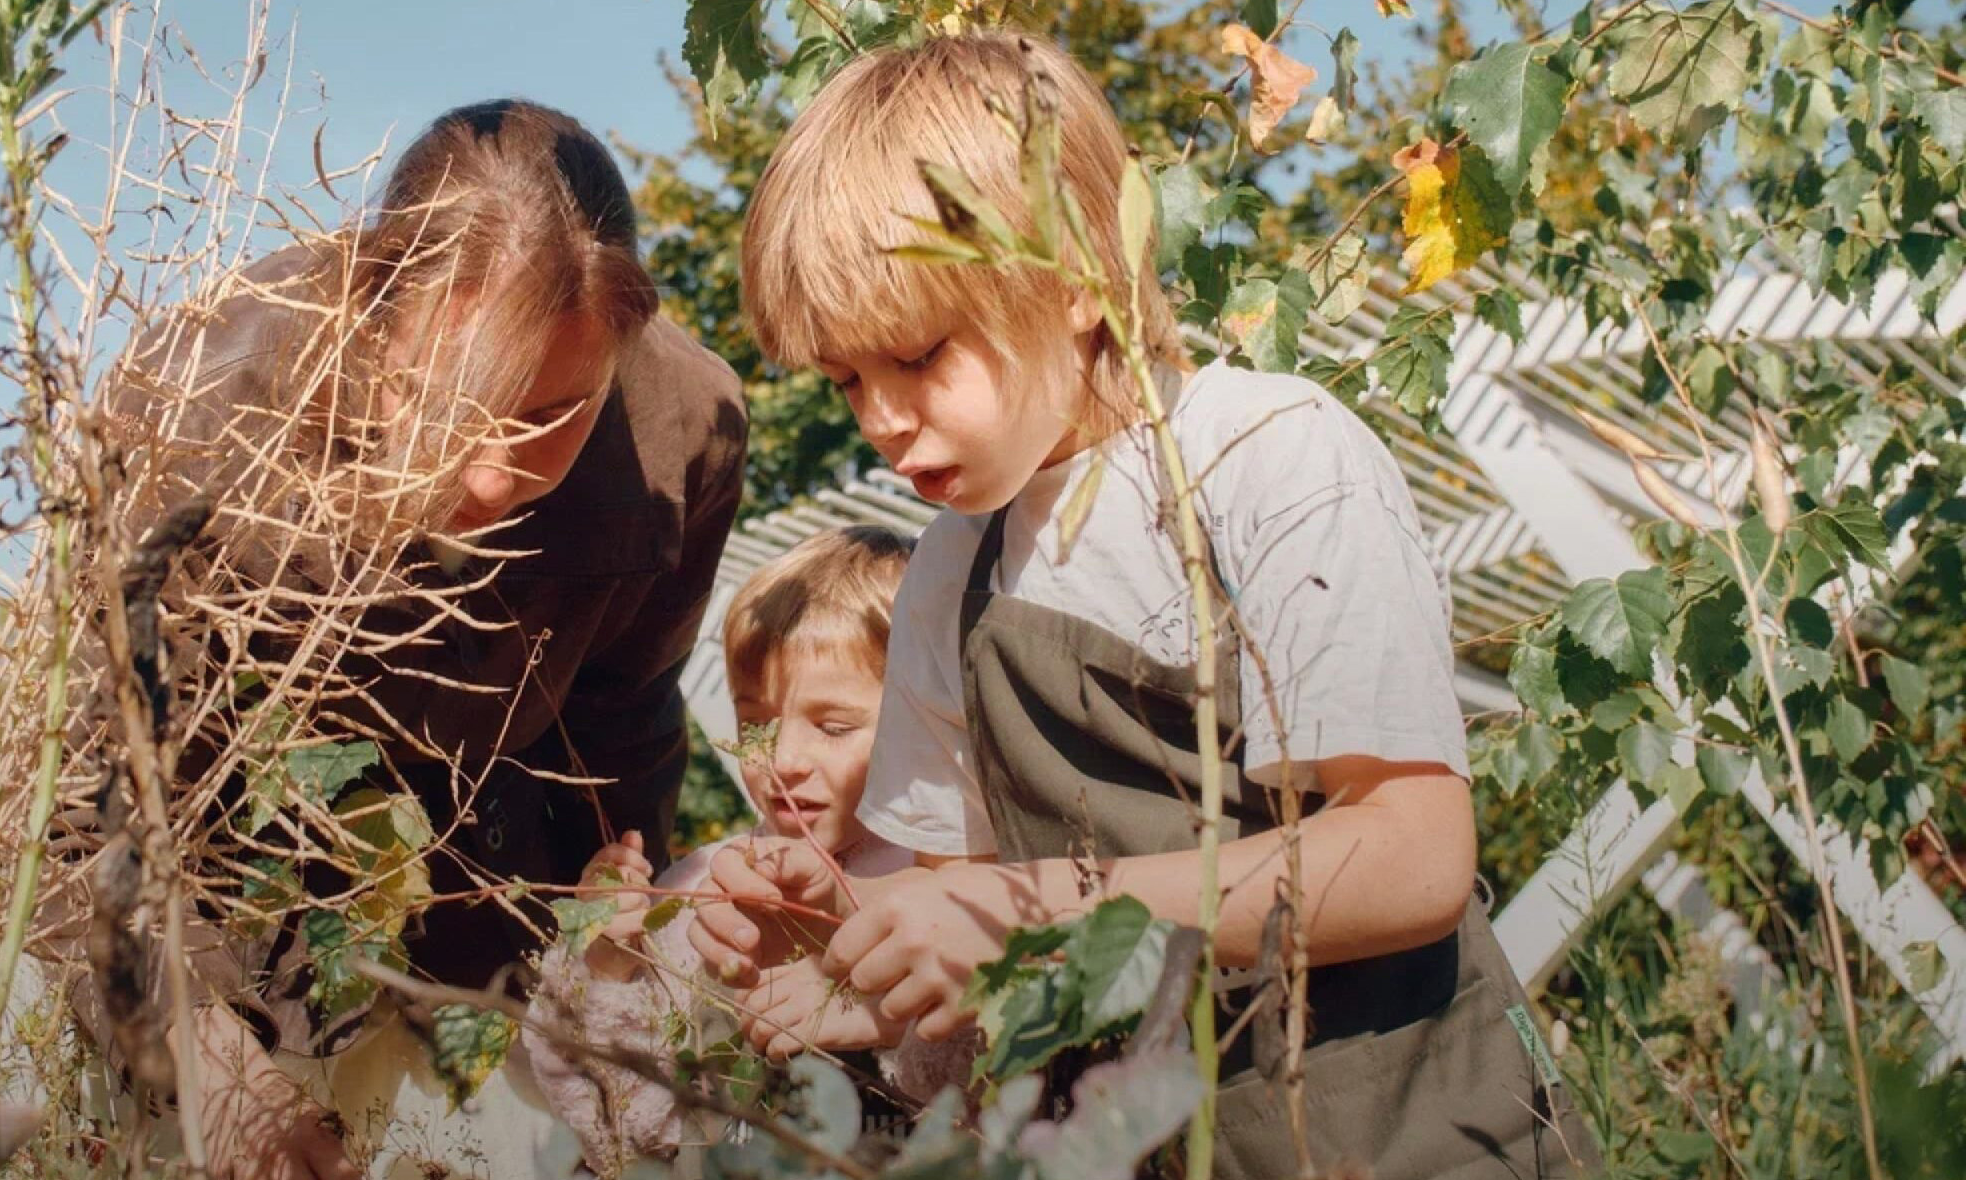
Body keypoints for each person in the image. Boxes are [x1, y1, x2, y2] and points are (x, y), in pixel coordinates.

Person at [688, 33, 1598, 1179]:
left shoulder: (1267, 455)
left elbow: (1411, 857)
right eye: (843, 380)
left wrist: (1032, 905)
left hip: (1404, 1136)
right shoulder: (945, 579)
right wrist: (849, 951)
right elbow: (963, 943)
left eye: (916, 355)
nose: (879, 416)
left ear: (1074, 275)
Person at [85, 99, 746, 1180]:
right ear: (370, 314)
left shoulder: (688, 432)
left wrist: (606, 994)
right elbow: (104, 811)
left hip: (488, 887)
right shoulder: (195, 416)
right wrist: (199, 1055)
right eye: (452, 403)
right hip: (228, 888)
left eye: (551, 416)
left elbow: (620, 726)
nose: (492, 473)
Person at [518, 526, 973, 1176]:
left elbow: (992, 1100)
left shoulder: (962, 886)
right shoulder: (700, 891)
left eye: (834, 726)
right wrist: (607, 963)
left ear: (924, 716)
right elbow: (627, 1134)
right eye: (755, 723)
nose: (782, 761)